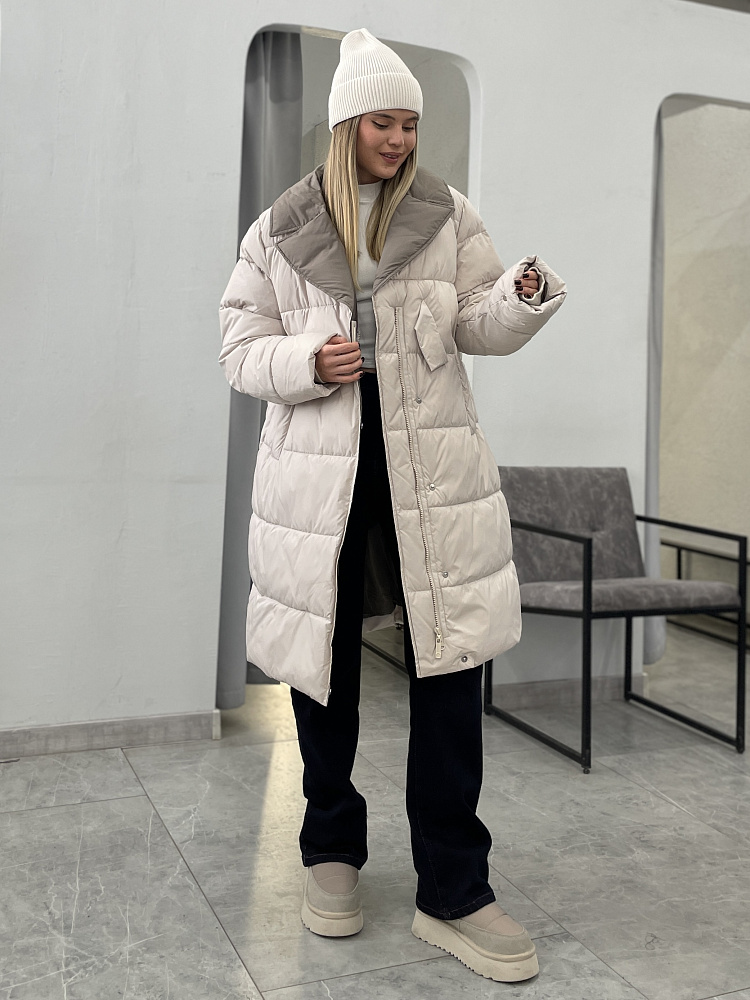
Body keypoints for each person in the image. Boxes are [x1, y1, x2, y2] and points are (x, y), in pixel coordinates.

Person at [219, 27, 566, 984]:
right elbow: (239, 347)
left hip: (431, 469)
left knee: (449, 669)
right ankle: (331, 849)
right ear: (346, 125)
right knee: (322, 667)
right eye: (384, 122)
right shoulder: (281, 227)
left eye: (410, 123)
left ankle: (455, 888)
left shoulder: (446, 214)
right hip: (318, 477)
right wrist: (305, 359)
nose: (400, 138)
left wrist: (521, 297)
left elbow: (476, 321)